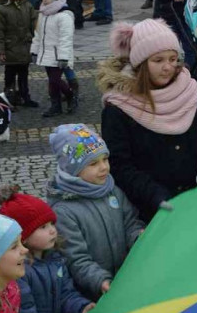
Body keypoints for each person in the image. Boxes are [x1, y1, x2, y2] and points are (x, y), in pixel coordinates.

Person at [99, 19, 197, 223]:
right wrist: (154, 194)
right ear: (141, 63)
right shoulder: (119, 107)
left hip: (189, 201)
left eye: (173, 59)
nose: (168, 67)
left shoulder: (189, 92)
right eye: (158, 60)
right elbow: (120, 165)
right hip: (144, 211)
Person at [46, 124, 144, 300]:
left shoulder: (112, 190)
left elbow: (130, 222)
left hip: (125, 280)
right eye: (93, 163)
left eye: (105, 159)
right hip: (94, 293)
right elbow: (75, 258)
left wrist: (138, 236)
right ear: (72, 169)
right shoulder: (64, 211)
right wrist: (100, 281)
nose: (104, 167)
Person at [0, 187, 93, 313]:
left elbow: (66, 294)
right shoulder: (19, 273)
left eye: (52, 223)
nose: (52, 230)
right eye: (42, 227)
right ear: (22, 237)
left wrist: (81, 307)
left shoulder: (55, 258)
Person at [31, 0, 76, 117]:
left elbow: (66, 39)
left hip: (58, 55)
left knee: (55, 80)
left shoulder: (64, 16)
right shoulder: (43, 13)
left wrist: (63, 57)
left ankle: (70, 95)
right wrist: (34, 50)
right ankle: (56, 106)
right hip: (47, 53)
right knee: (52, 82)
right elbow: (38, 34)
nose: (44, 0)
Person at [0, 0, 38, 108]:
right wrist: (0, 51)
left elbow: (33, 25)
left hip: (25, 48)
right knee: (10, 76)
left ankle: (25, 96)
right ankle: (9, 99)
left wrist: (36, 41)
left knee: (24, 75)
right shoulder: (1, 10)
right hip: (10, 49)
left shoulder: (27, 6)